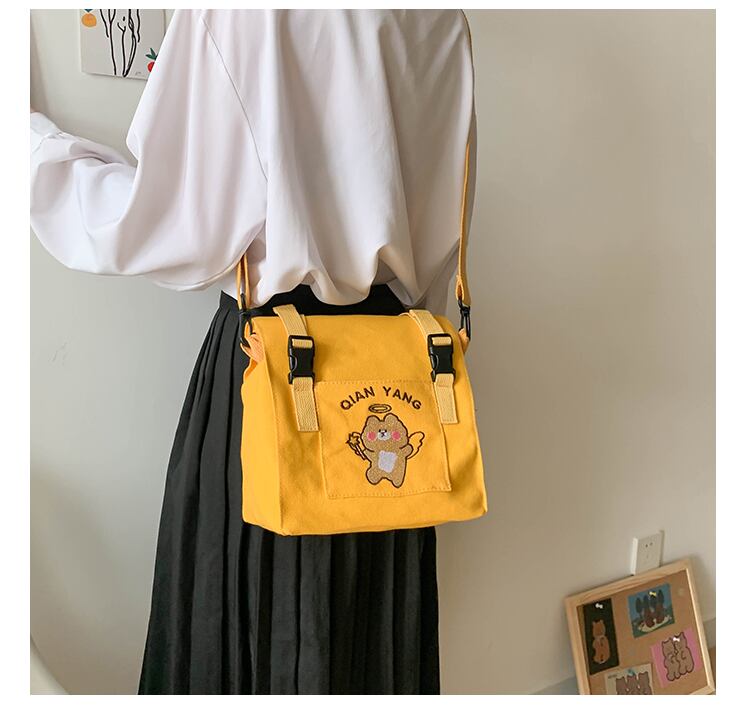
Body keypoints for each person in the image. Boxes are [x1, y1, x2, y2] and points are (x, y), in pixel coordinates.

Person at [30, 9, 476, 695]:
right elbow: (445, 217)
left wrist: (30, 148)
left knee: (247, 629)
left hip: (275, 362)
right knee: (373, 638)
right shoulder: (442, 17)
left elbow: (173, 221)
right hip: (396, 363)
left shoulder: (236, 13)